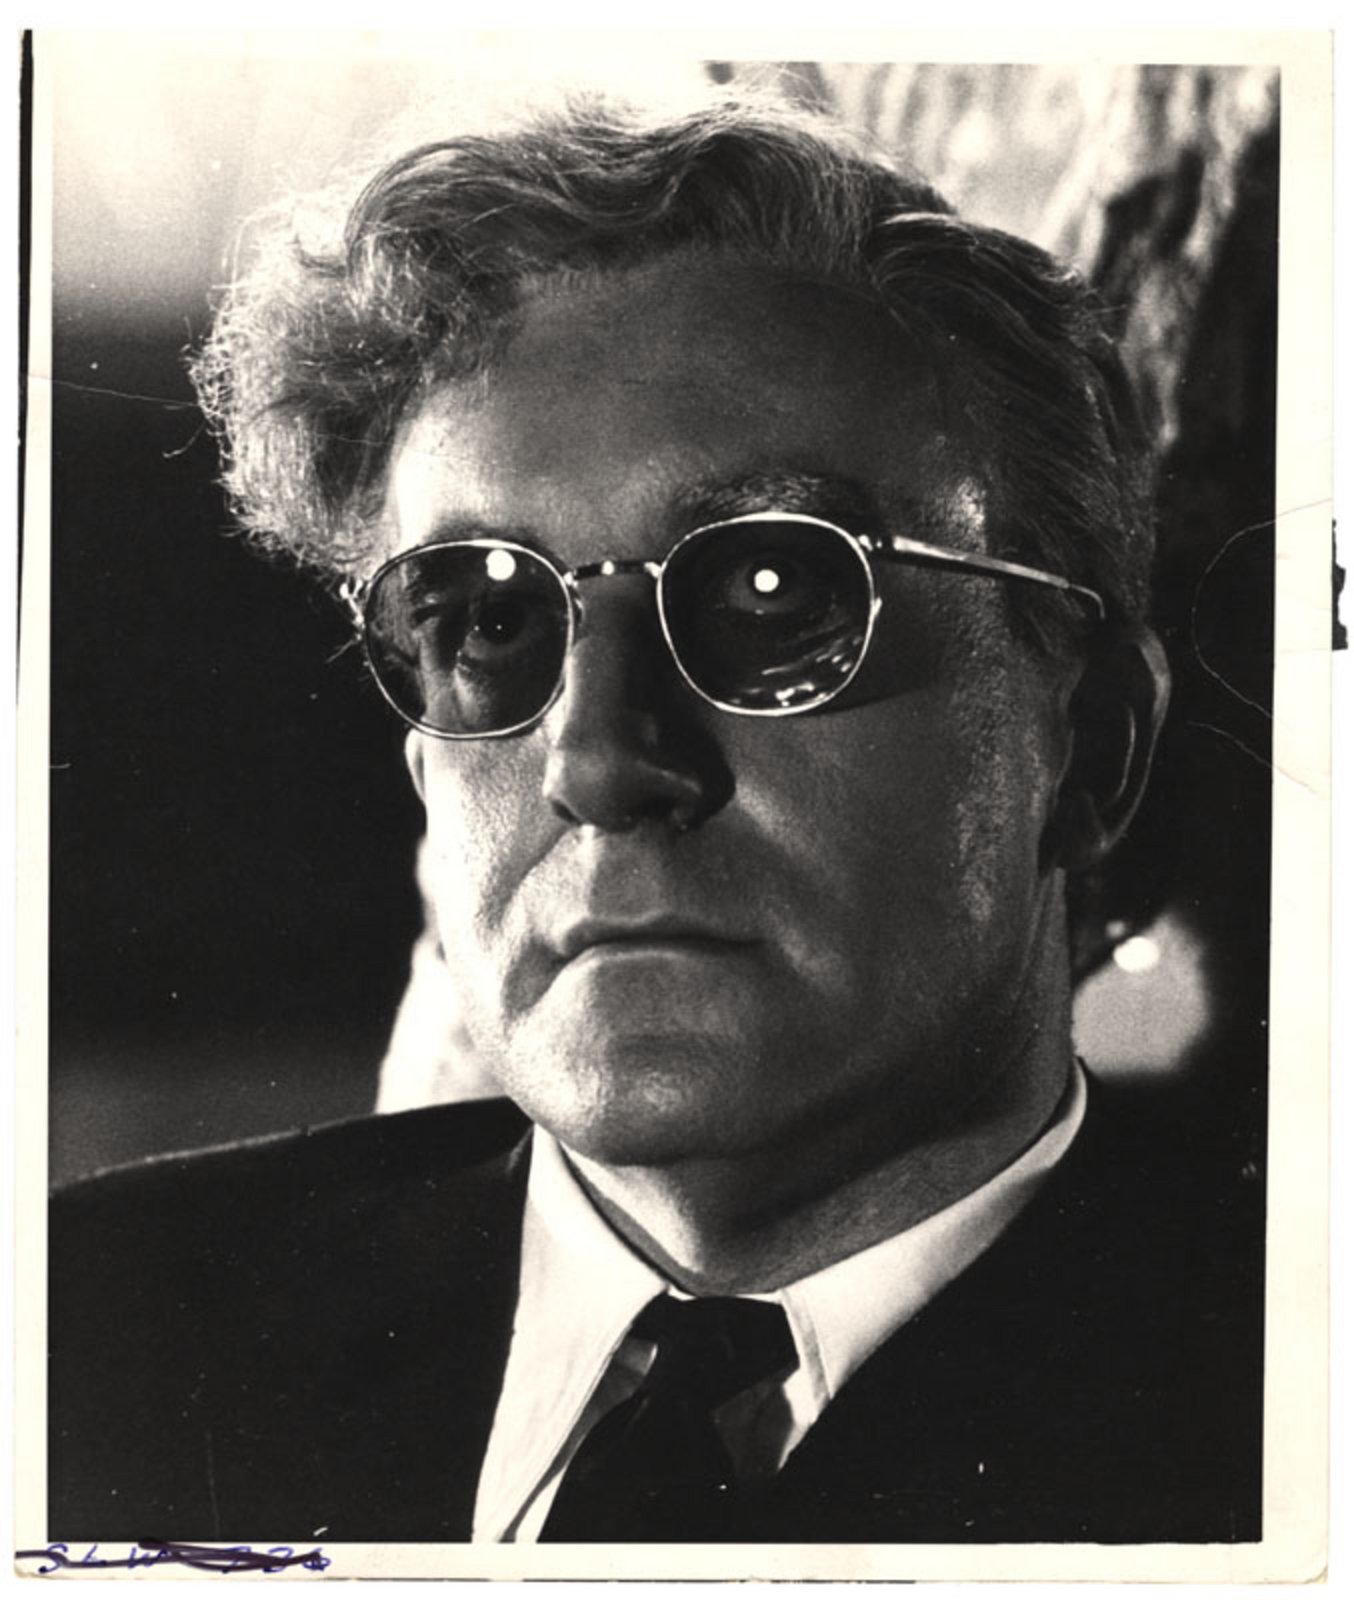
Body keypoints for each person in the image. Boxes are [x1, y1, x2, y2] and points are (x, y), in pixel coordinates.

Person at [49, 89, 1264, 1547]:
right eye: (487, 621)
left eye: (773, 591)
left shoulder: (1280, 1421)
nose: (600, 762)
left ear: (1090, 749)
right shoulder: (83, 1338)